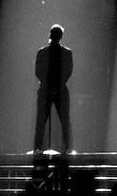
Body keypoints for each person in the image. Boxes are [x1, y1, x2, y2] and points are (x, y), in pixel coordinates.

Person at [34, 23, 73, 153]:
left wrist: (50, 85)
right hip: (56, 89)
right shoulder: (66, 53)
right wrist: (57, 85)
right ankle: (66, 147)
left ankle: (38, 147)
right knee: (63, 120)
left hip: (48, 89)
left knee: (42, 120)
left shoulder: (43, 52)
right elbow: (67, 71)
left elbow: (38, 71)